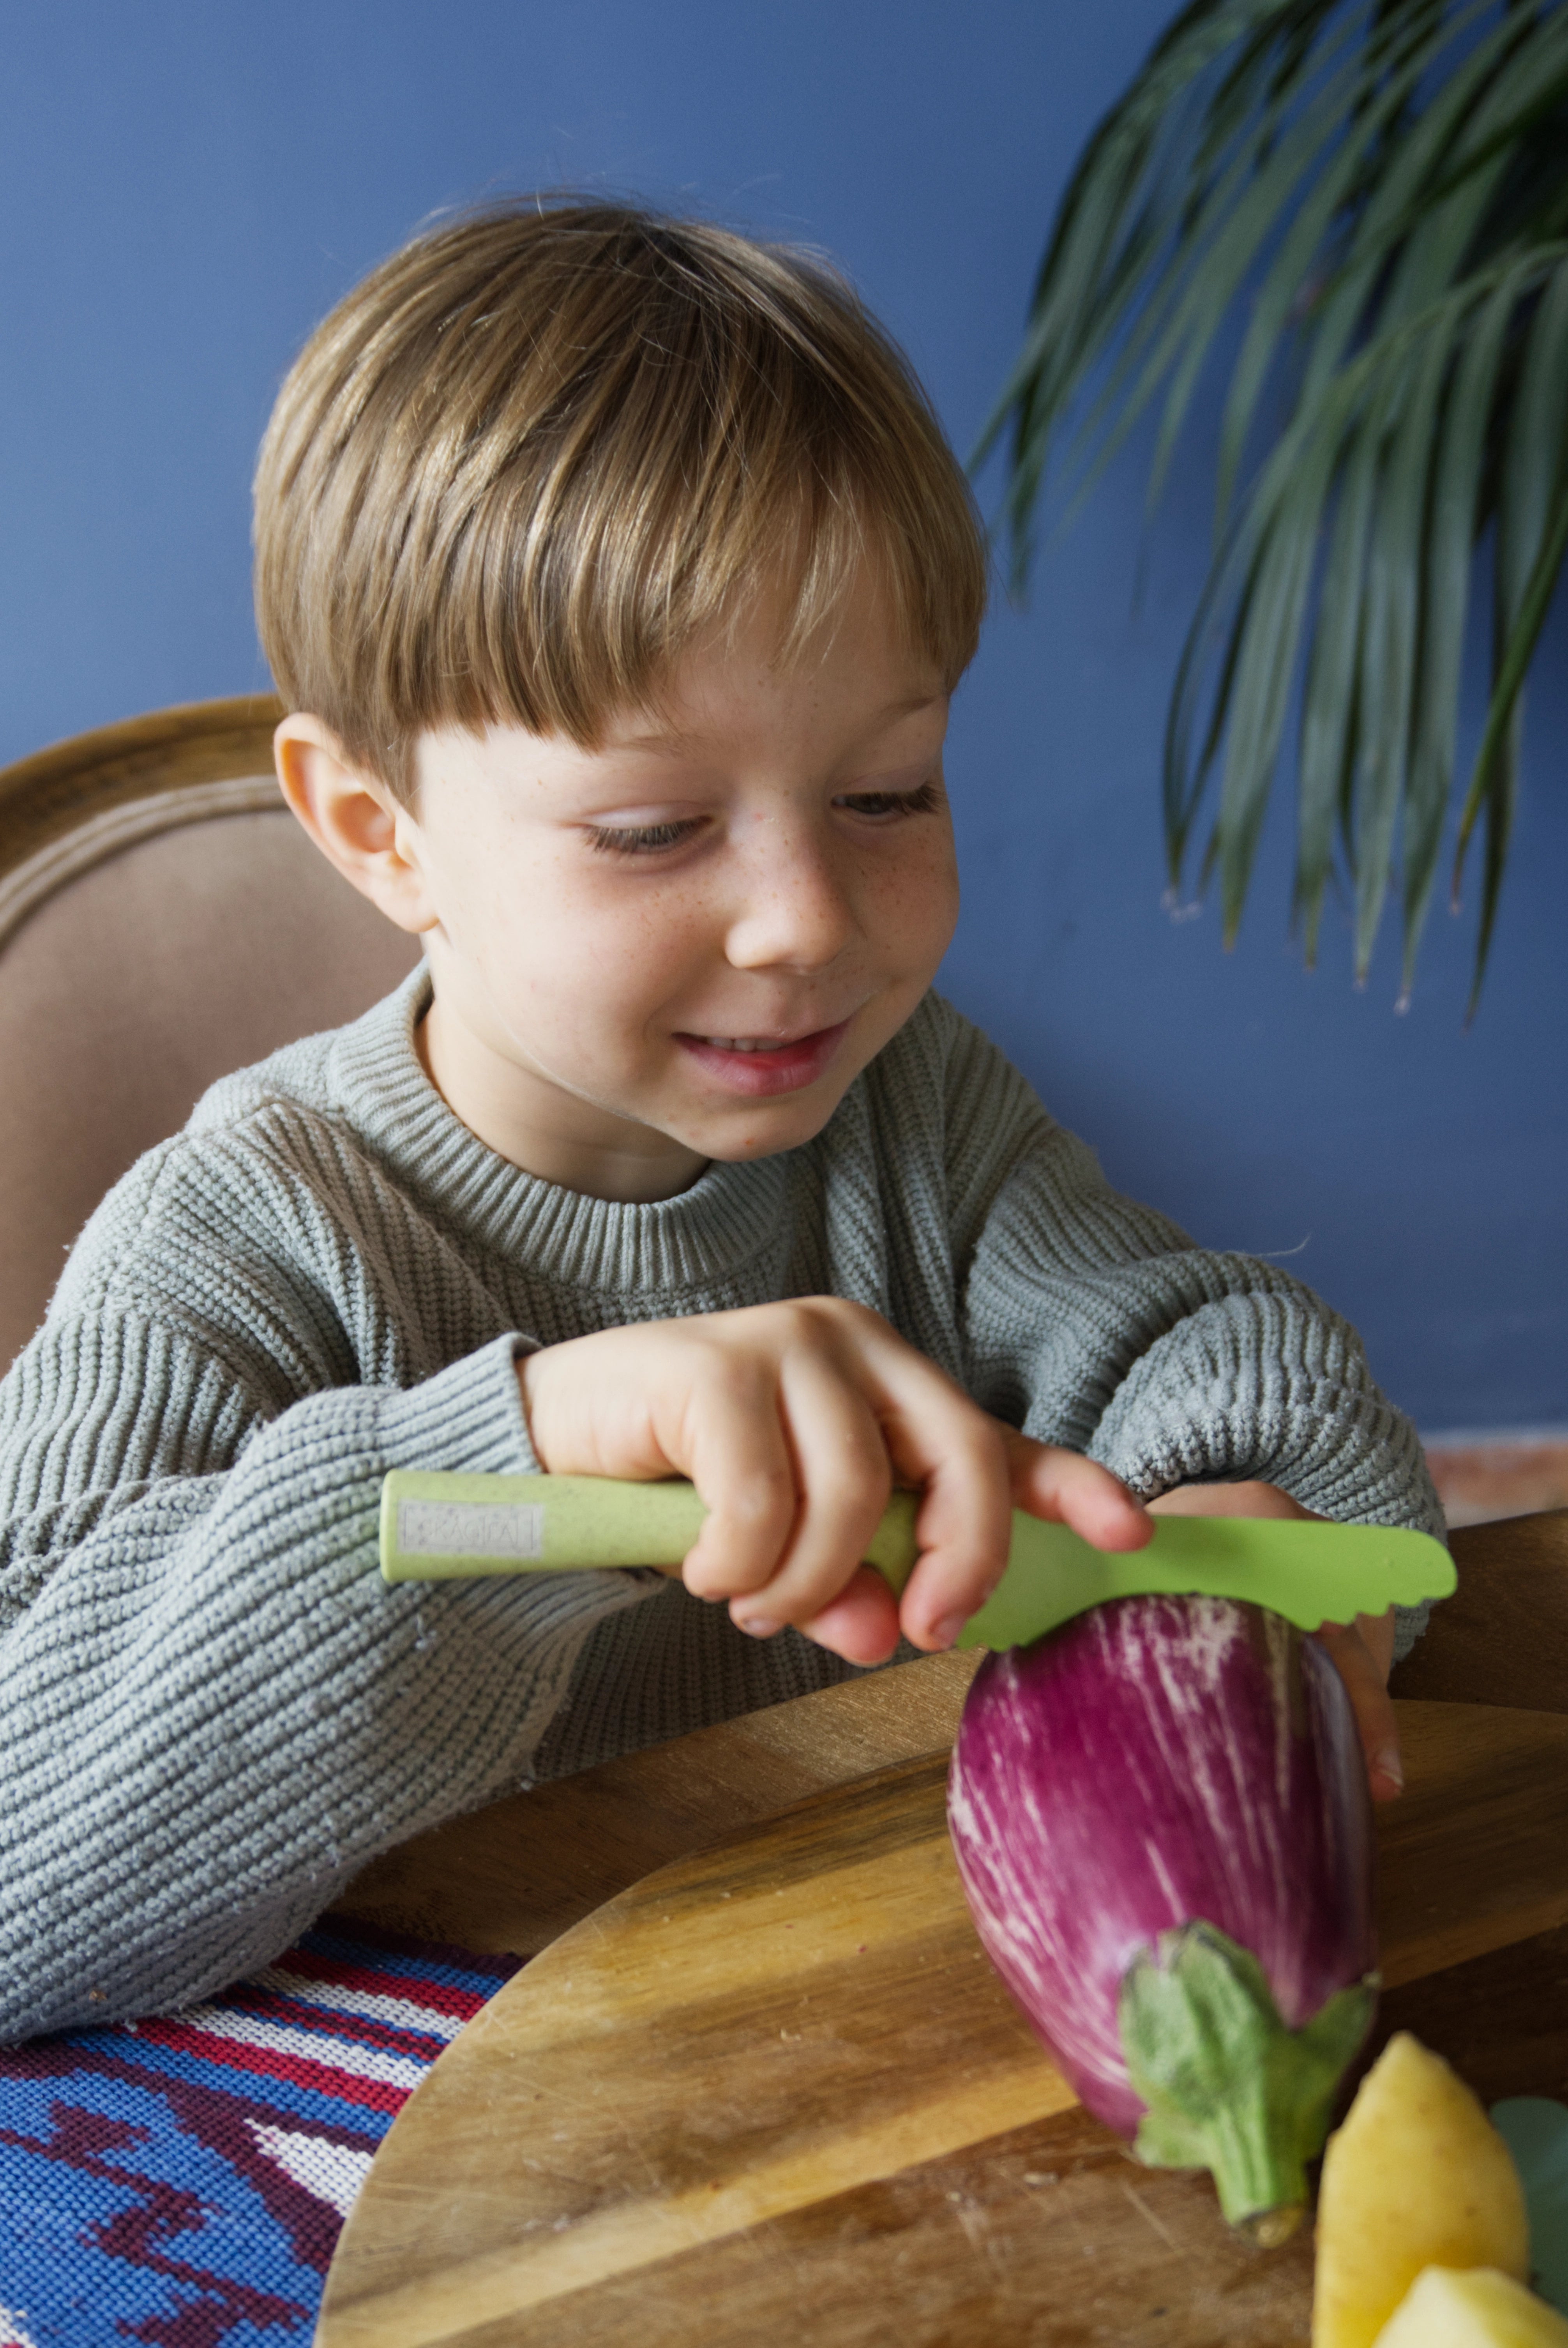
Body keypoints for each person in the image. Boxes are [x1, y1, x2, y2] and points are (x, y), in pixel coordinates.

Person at [0, 202, 1442, 2043]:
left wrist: (1252, 1519)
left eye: (884, 792)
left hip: (822, 2023)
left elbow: (1205, 1339)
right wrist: (517, 1463)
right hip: (430, 2121)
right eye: (654, 829)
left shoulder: (915, 1113)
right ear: (378, 833)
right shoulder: (234, 1235)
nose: (809, 924)